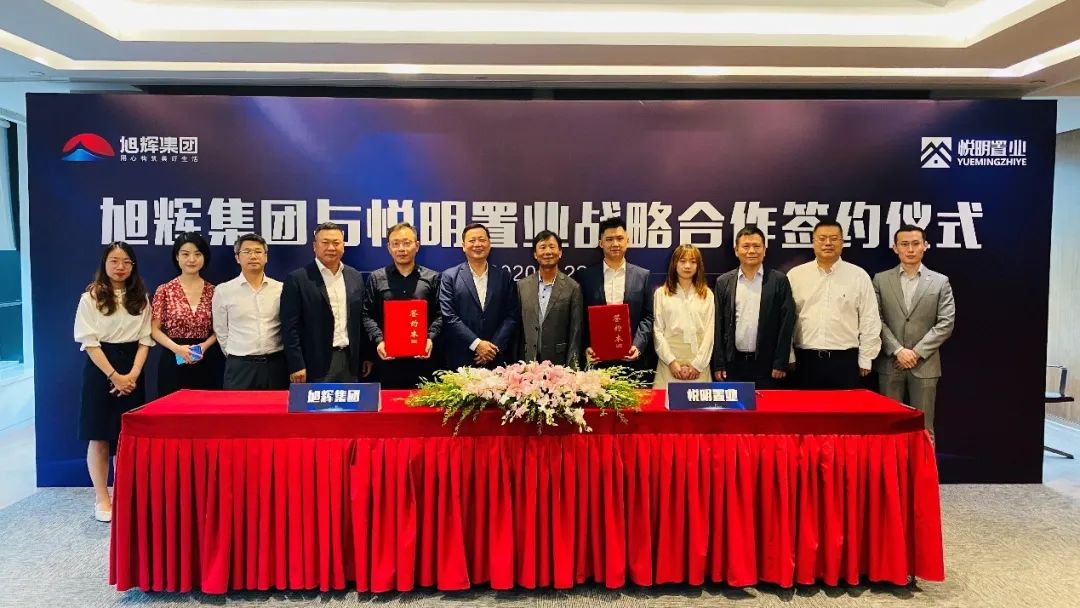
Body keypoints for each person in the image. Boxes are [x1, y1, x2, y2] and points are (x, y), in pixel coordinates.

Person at [73, 241, 154, 522]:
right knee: (99, 436)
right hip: (101, 369)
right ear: (104, 265)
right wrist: (114, 376)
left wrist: (132, 375)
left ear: (133, 266)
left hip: (133, 369)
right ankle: (102, 498)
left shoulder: (140, 298)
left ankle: (123, 495)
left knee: (126, 438)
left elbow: (145, 339)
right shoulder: (91, 298)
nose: (120, 267)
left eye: (126, 262)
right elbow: (89, 341)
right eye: (114, 261)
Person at [873, 224, 956, 439]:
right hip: (890, 363)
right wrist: (898, 350)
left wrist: (916, 353)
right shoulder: (881, 279)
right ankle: (891, 464)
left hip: (925, 365)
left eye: (915, 244)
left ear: (925, 246)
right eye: (904, 244)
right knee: (888, 427)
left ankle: (925, 464)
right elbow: (875, 319)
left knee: (924, 428)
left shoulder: (940, 281)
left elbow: (946, 323)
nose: (910, 249)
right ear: (895, 248)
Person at [788, 219, 881, 389]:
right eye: (822, 238)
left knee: (845, 406)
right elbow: (785, 320)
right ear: (813, 242)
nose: (828, 243)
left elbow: (869, 319)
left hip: (846, 360)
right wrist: (789, 355)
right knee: (807, 406)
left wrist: (866, 358)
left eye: (834, 238)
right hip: (805, 359)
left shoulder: (858, 276)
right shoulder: (795, 276)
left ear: (842, 242)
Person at [280, 222, 372, 384]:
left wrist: (366, 356)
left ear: (343, 246)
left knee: (349, 401)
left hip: (350, 361)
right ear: (314, 246)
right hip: (314, 363)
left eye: (336, 243)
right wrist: (296, 364)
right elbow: (290, 327)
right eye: (325, 242)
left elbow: (360, 320)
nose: (331, 247)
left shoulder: (354, 276)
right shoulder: (297, 279)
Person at [711, 225, 795, 388]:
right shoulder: (724, 282)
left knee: (768, 405)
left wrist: (780, 362)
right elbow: (718, 325)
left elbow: (786, 324)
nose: (751, 251)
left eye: (757, 246)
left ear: (764, 250)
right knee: (736, 405)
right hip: (733, 364)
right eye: (746, 246)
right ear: (736, 250)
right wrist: (719, 363)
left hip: (768, 365)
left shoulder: (779, 281)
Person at [361, 222, 442, 388]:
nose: (401, 249)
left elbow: (440, 314)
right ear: (389, 248)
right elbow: (367, 314)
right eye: (396, 244)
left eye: (407, 243)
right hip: (386, 360)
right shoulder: (376, 278)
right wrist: (379, 340)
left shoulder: (433, 278)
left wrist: (429, 338)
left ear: (417, 246)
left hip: (423, 361)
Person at [150, 232, 224, 396]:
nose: (192, 259)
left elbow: (221, 328)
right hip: (173, 356)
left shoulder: (215, 291)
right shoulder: (165, 290)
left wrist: (204, 346)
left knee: (205, 407)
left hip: (206, 357)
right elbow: (154, 329)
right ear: (177, 257)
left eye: (197, 254)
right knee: (172, 407)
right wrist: (177, 349)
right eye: (185, 254)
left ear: (204, 257)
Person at [576, 216, 654, 370]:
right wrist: (586, 347)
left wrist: (638, 345)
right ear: (601, 243)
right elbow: (579, 318)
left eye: (620, 238)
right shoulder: (585, 276)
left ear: (627, 241)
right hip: (596, 360)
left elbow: (648, 316)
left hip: (632, 360)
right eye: (609, 239)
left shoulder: (642, 275)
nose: (615, 244)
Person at [211, 233, 287, 389]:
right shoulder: (224, 290)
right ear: (237, 258)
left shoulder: (281, 289)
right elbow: (220, 330)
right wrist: (236, 354)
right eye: (247, 251)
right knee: (237, 405)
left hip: (275, 364)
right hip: (240, 367)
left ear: (266, 257)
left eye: (258, 251)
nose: (253, 256)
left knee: (275, 405)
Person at [439, 223, 520, 369]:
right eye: (472, 240)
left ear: (489, 244)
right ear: (463, 246)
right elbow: (449, 316)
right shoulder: (449, 277)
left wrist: (492, 348)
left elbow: (511, 315)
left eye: (482, 240)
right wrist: (477, 344)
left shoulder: (504, 276)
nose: (477, 244)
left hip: (496, 358)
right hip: (461, 358)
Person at [517, 230, 583, 367]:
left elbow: (575, 332)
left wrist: (572, 368)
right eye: (542, 247)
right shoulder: (522, 286)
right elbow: (517, 329)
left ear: (560, 252)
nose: (547, 252)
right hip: (528, 363)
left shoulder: (573, 287)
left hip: (559, 364)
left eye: (552, 247)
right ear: (535, 254)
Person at [652, 244, 715, 388]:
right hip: (668, 365)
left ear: (698, 266)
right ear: (674, 263)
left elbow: (710, 332)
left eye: (693, 262)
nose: (687, 266)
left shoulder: (707, 294)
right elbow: (657, 331)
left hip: (699, 365)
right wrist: (671, 361)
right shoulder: (661, 293)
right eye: (682, 261)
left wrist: (698, 365)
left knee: (698, 402)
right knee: (665, 402)